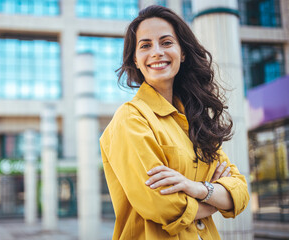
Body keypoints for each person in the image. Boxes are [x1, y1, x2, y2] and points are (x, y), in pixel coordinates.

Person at [99, 5, 250, 240]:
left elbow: (240, 191)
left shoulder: (196, 120)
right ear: (136, 60)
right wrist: (212, 201)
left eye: (166, 42)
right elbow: (159, 204)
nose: (157, 52)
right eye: (145, 45)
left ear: (183, 53)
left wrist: (196, 188)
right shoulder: (131, 118)